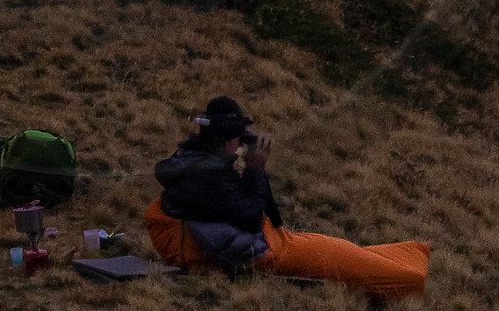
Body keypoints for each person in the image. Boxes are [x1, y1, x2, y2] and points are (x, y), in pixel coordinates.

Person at [146, 96, 429, 297]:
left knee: (337, 248)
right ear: (229, 139)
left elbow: (262, 215)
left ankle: (410, 253)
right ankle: (410, 276)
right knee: (360, 265)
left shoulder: (195, 158)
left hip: (255, 243)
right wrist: (256, 169)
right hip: (255, 254)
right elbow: (253, 217)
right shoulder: (208, 173)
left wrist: (246, 169)